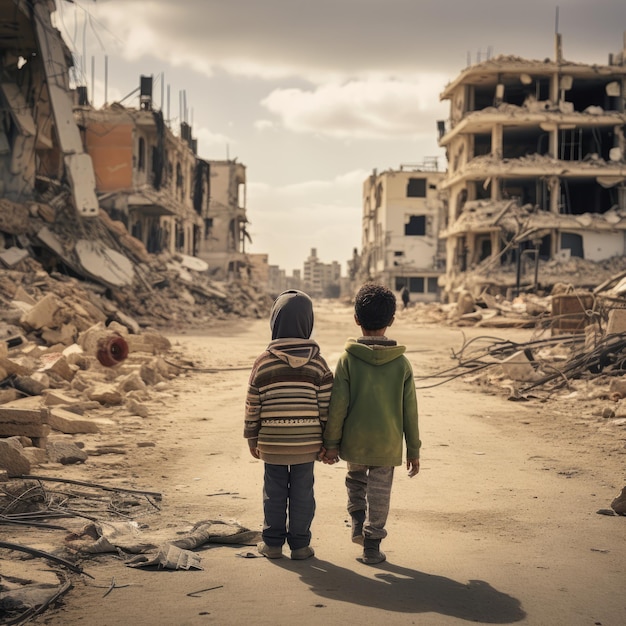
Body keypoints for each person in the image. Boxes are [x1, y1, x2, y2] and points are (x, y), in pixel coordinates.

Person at [321, 283, 420, 565]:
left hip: (354, 441)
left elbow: (337, 406)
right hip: (386, 444)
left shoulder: (347, 360)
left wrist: (330, 445)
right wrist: (413, 449)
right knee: (380, 492)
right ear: (391, 321)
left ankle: (356, 521)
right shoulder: (402, 364)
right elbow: (410, 411)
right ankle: (372, 546)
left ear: (356, 319)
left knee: (355, 479)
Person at [244, 290, 333, 560]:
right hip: (307, 444)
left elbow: (252, 404)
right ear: (308, 323)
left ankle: (272, 544)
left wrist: (252, 436)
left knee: (274, 491)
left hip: (272, 442)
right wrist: (329, 443)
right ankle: (300, 545)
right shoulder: (318, 364)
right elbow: (327, 408)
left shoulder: (263, 362)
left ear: (275, 323)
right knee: (303, 493)